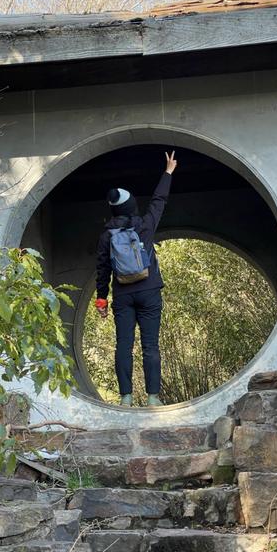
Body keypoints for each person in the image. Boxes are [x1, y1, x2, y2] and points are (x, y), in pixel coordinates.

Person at [95, 151, 178, 407]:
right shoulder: (145, 225)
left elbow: (102, 269)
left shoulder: (107, 235)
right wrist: (168, 172)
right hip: (150, 290)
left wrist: (101, 300)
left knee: (123, 345)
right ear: (132, 206)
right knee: (150, 345)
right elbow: (159, 200)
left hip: (122, 294)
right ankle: (153, 398)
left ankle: (126, 398)